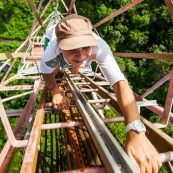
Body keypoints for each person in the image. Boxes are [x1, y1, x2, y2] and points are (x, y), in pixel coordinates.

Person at [40, 14, 162, 172]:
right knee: (56, 69)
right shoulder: (52, 49)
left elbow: (119, 82)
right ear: (61, 47)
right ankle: (66, 67)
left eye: (85, 47)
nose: (82, 54)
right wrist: (54, 90)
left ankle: (72, 67)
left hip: (70, 56)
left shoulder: (100, 46)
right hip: (53, 42)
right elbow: (45, 71)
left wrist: (135, 131)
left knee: (76, 66)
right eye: (72, 49)